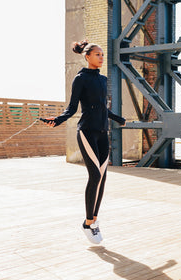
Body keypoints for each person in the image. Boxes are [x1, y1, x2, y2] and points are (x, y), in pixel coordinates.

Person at [43, 40, 126, 245]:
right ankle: (87, 222)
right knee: (95, 175)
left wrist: (117, 118)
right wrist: (57, 120)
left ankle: (94, 221)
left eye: (102, 55)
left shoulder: (103, 79)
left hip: (102, 133)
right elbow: (72, 108)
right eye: (98, 54)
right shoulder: (80, 79)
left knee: (103, 178)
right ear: (87, 56)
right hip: (87, 132)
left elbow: (102, 108)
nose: (101, 57)